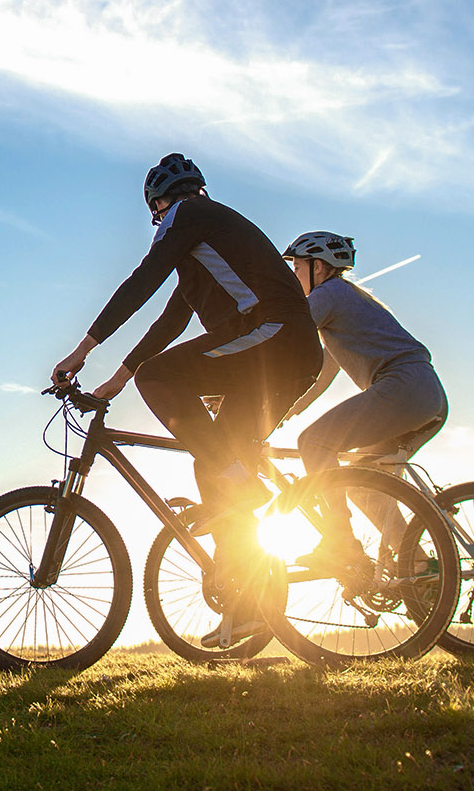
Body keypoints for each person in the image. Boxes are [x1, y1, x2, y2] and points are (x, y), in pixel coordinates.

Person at [52, 154, 322, 642]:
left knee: (162, 382)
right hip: (285, 351)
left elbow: (142, 280)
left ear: (159, 205)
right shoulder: (206, 247)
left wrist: (82, 350)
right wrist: (115, 381)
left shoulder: (186, 216)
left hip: (274, 336)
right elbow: (171, 319)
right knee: (211, 465)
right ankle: (249, 607)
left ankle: (242, 483)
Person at [279, 230, 448, 571]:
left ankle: (339, 542)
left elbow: (285, 338)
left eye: (297, 268)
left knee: (314, 443)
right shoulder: (344, 302)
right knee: (361, 484)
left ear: (320, 268)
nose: (293, 277)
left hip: (402, 387)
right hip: (426, 395)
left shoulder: (329, 294)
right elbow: (322, 373)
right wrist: (286, 409)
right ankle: (418, 568)